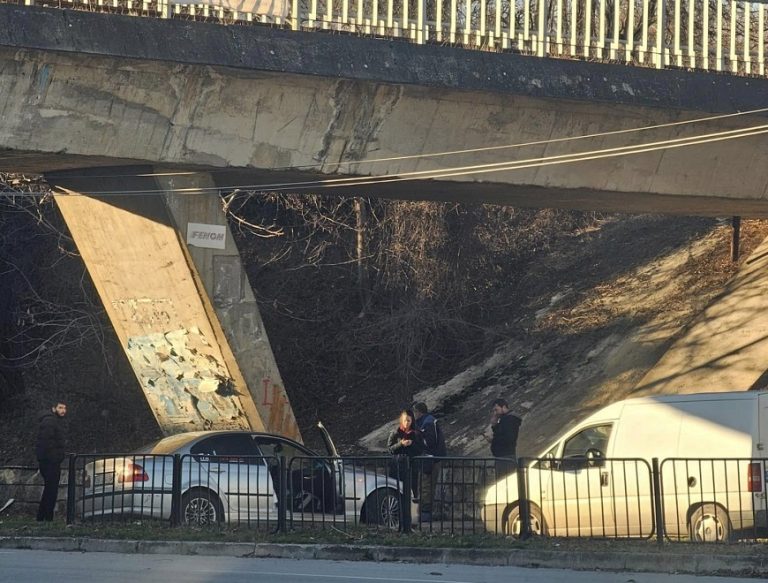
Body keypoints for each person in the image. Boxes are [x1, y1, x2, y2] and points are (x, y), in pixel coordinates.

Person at [412, 402, 446, 517]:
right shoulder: (426, 422)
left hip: (430, 458)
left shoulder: (428, 423)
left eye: (414, 412)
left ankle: (425, 512)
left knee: (426, 485)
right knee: (424, 485)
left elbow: (430, 442)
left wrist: (418, 437)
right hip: (429, 457)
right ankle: (423, 511)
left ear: (418, 412)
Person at [35, 400, 67, 522]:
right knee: (51, 490)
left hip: (48, 461)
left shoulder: (51, 420)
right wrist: (56, 457)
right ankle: (47, 518)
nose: (63, 411)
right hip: (50, 462)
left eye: (64, 408)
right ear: (54, 408)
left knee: (50, 489)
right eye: (60, 407)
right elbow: (46, 442)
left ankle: (42, 517)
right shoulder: (50, 421)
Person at [387, 409, 424, 498]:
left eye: (409, 421)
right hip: (397, 466)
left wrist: (412, 444)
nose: (406, 423)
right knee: (396, 491)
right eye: (405, 420)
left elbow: (421, 449)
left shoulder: (416, 433)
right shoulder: (395, 433)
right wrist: (401, 444)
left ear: (412, 421)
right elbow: (390, 449)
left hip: (411, 467)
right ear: (401, 420)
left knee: (412, 490)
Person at [488, 398, 521, 478]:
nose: (495, 413)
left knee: (504, 480)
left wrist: (495, 441)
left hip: (505, 457)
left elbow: (508, 438)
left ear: (503, 407)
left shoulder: (509, 420)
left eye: (496, 410)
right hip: (503, 456)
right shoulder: (505, 420)